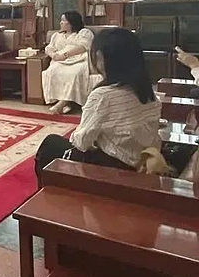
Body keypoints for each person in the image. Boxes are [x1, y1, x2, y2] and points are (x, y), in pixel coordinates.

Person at [35, 28, 161, 177]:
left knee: (50, 144)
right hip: (143, 160)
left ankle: (47, 189)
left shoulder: (103, 96)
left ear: (102, 58)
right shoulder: (149, 93)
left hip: (115, 167)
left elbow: (81, 142)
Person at [42, 11, 98, 114]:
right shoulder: (56, 35)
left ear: (72, 22)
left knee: (74, 73)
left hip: (79, 59)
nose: (61, 23)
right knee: (52, 71)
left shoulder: (84, 33)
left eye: (64, 20)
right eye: (61, 20)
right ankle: (67, 104)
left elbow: (83, 47)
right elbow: (49, 48)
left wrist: (65, 55)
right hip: (60, 60)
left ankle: (61, 104)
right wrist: (54, 55)